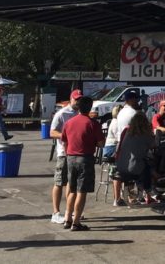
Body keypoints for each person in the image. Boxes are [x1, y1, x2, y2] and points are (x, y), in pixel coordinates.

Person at [60, 96, 104, 230]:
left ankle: (67, 218)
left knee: (72, 189)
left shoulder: (69, 122)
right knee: (82, 191)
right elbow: (101, 143)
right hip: (85, 158)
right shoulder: (93, 123)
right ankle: (76, 221)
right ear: (90, 108)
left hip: (71, 157)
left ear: (78, 107)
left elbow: (64, 141)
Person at [49, 89, 81, 225]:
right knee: (59, 182)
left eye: (79, 99)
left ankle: (70, 211)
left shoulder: (80, 113)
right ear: (71, 99)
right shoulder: (61, 114)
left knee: (71, 183)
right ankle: (55, 213)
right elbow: (52, 132)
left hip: (75, 153)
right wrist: (66, 136)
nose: (77, 102)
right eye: (76, 99)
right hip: (63, 153)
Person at [115, 111, 157, 205]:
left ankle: (142, 193)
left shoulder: (127, 132)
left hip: (121, 166)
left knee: (143, 164)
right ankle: (149, 193)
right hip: (133, 168)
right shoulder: (145, 135)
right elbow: (154, 145)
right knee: (148, 167)